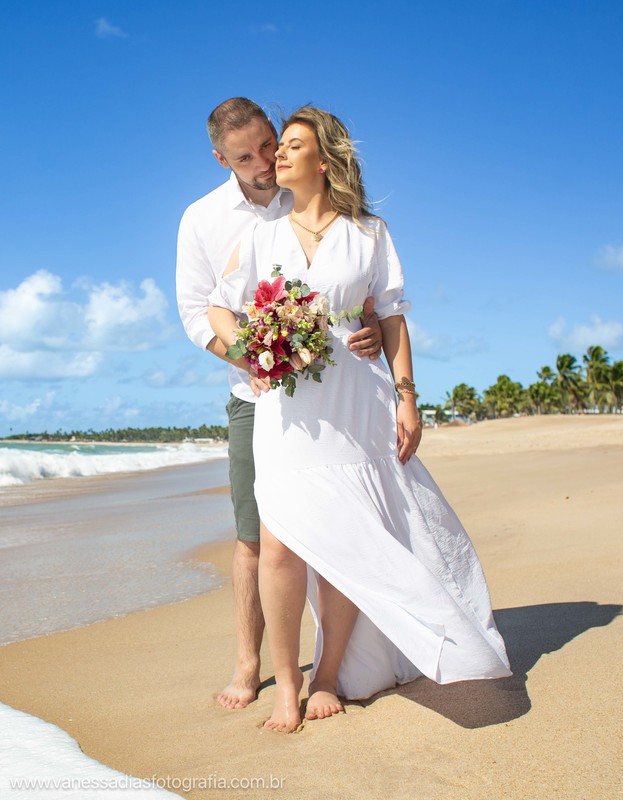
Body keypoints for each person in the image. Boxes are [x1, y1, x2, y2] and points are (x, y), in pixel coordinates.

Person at [208, 106, 511, 732]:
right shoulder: (262, 234)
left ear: (324, 161)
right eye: (276, 148)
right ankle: (286, 685)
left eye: (291, 147)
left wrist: (406, 395)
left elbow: (393, 314)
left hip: (357, 401)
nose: (277, 158)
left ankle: (328, 674)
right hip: (287, 409)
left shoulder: (369, 232)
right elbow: (217, 308)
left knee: (346, 535)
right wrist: (255, 352)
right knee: (282, 545)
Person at [176, 98, 382, 710]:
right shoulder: (203, 218)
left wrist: (366, 325)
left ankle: (331, 666)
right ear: (221, 159)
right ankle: (251, 665)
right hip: (257, 397)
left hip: (340, 396)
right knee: (256, 537)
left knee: (336, 525)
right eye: (247, 156)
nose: (265, 163)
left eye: (270, 146)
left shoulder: (313, 191)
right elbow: (197, 310)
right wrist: (252, 356)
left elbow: (353, 283)